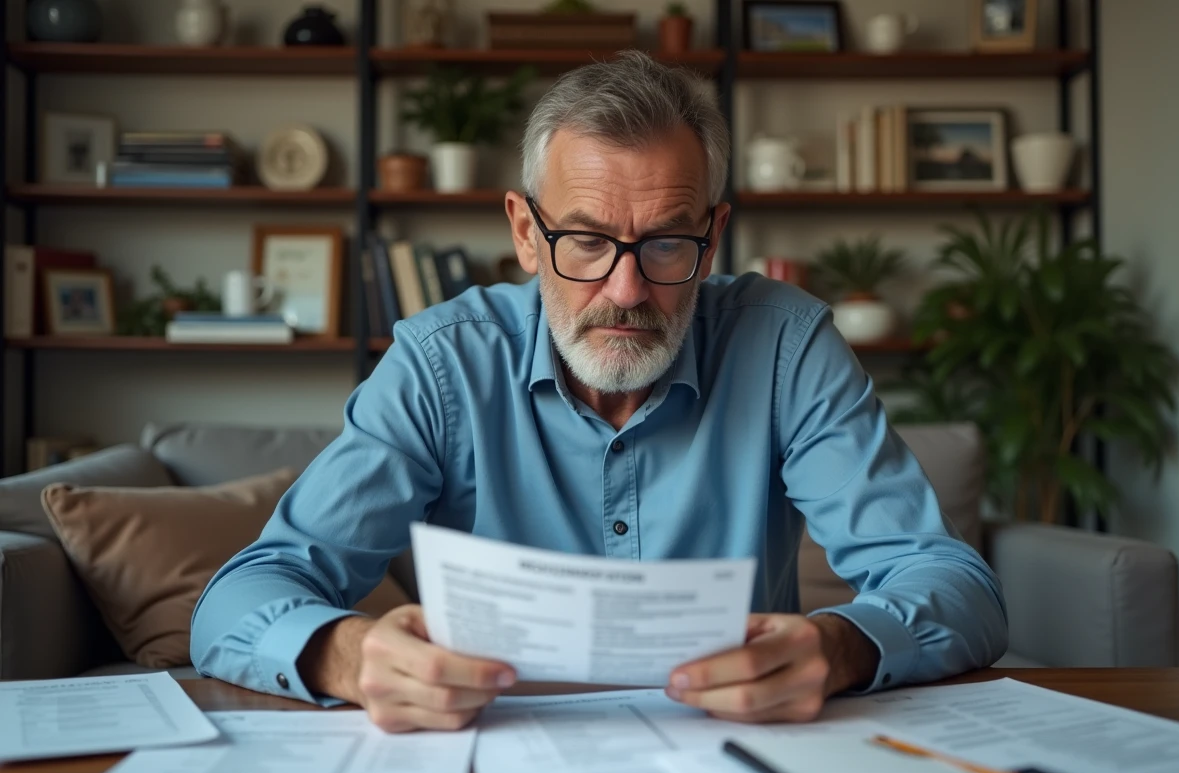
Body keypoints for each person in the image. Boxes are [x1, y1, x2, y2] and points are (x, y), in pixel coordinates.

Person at [192, 51, 1007, 733]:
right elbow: (239, 600)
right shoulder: (442, 366)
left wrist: (840, 649)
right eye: (584, 240)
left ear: (714, 235)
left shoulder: (786, 347)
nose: (624, 291)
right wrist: (350, 656)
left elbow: (953, 584)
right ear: (523, 231)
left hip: (735, 759)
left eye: (665, 244)